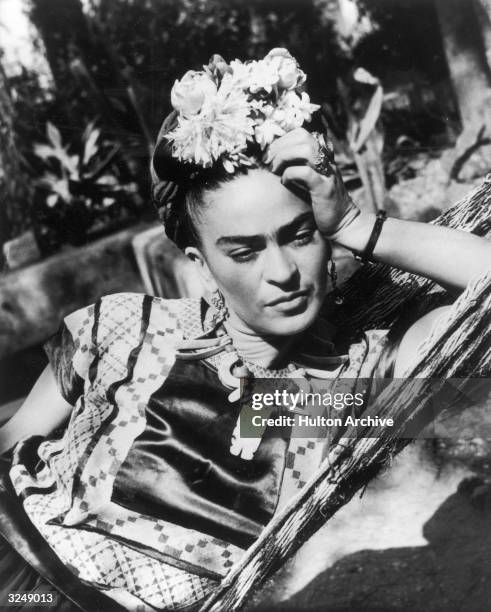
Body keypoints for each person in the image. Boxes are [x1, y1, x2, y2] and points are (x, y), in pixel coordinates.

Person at [0, 49, 490, 612]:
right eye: (244, 251)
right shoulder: (128, 326)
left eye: (300, 236)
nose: (281, 273)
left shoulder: (363, 378)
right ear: (200, 261)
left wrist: (355, 223)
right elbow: (10, 442)